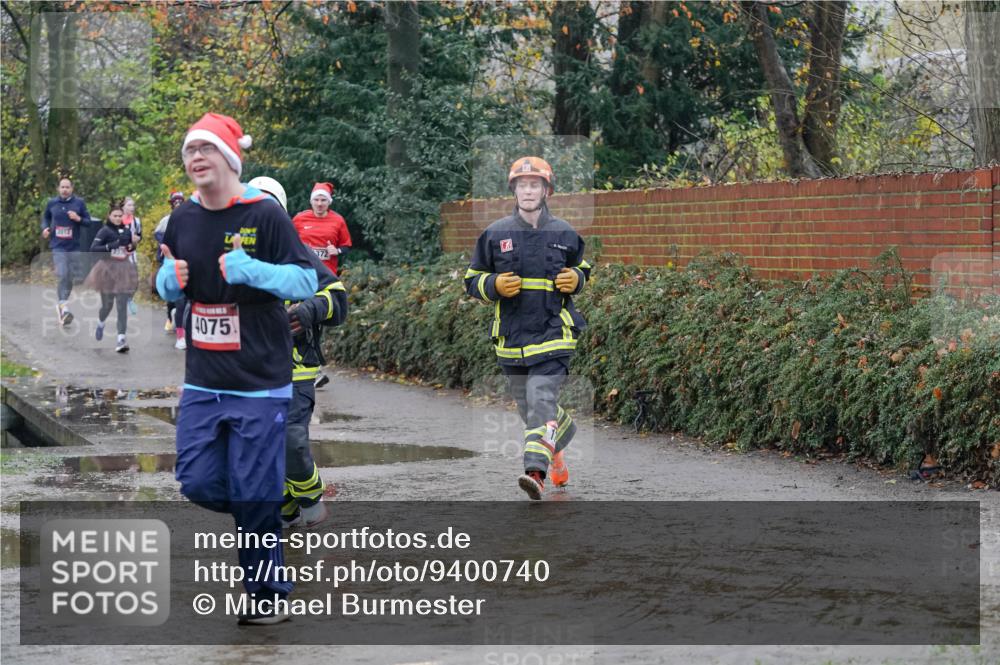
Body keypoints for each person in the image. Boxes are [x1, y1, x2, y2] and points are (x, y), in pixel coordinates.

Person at [156, 113, 318, 625]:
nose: (196, 158)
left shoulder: (264, 214)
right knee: (197, 481)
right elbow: (171, 286)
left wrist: (256, 272)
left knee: (253, 486)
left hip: (260, 377)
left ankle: (266, 595)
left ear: (229, 156)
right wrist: (167, 282)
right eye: (189, 151)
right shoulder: (181, 220)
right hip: (203, 375)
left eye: (206, 148)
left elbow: (307, 281)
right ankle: (264, 509)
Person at [463, 156, 591, 500]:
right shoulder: (495, 234)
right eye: (523, 185)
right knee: (532, 411)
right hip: (511, 342)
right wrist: (492, 285)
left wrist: (576, 278)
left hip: (553, 336)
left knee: (540, 399)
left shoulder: (564, 232)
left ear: (546, 190)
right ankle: (558, 447)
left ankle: (535, 473)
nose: (529, 190)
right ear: (514, 190)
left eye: (535, 184)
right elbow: (471, 279)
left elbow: (584, 267)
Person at [249, 176, 349, 528]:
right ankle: (287, 504)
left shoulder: (300, 255)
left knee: (290, 443)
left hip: (296, 372)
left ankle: (309, 493)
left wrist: (307, 311)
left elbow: (338, 302)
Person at [291, 182, 351, 390]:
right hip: (300, 278)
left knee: (314, 320)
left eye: (323, 200)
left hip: (325, 279)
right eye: (316, 199)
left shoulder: (338, 220)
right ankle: (310, 368)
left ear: (329, 202)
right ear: (311, 201)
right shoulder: (299, 219)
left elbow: (346, 246)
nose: (319, 203)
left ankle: (310, 365)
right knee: (300, 319)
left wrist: (337, 252)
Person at [84, 198, 139, 352]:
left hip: (123, 269)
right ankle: (101, 322)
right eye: (114, 216)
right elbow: (93, 248)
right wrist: (111, 246)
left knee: (121, 305)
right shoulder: (104, 231)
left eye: (119, 216)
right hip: (107, 270)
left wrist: (132, 244)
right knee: (107, 305)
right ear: (109, 216)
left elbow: (128, 249)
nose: (117, 218)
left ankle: (121, 339)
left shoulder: (127, 230)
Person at [40, 177, 93, 326]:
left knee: (69, 279)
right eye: (62, 187)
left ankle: (62, 306)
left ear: (72, 188)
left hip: (74, 246)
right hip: (58, 246)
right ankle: (64, 307)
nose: (64, 190)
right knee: (62, 273)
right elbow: (45, 218)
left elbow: (88, 222)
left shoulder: (79, 203)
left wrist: (78, 218)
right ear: (58, 188)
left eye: (67, 187)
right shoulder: (52, 203)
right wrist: (45, 228)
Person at [154, 191, 187, 349]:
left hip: (189, 263)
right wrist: (166, 243)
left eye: (181, 201)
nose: (178, 204)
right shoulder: (166, 220)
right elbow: (158, 234)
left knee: (189, 302)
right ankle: (174, 324)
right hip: (171, 261)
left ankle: (187, 330)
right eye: (175, 202)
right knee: (176, 299)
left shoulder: (192, 219)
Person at [122, 197, 143, 316]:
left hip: (131, 254)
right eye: (129, 205)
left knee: (134, 279)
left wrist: (137, 239)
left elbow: (140, 235)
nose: (132, 208)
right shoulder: (116, 220)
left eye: (133, 205)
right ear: (123, 207)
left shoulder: (137, 221)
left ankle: (129, 298)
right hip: (119, 254)